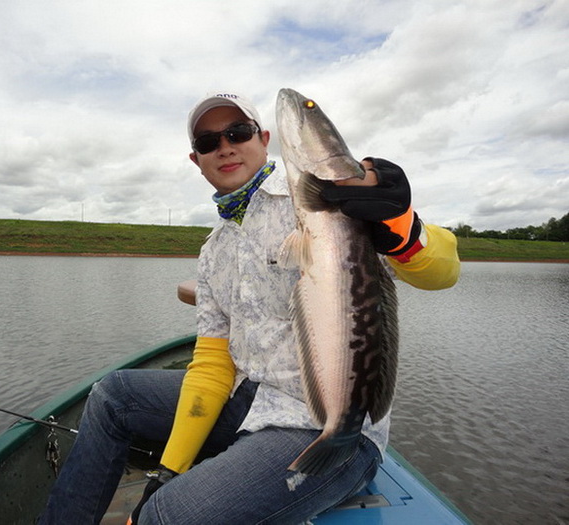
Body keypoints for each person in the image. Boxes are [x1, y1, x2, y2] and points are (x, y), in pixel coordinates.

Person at [37, 92, 460, 525]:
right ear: (195, 159)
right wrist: (169, 470)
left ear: (264, 139)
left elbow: (441, 273)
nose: (225, 146)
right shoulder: (214, 250)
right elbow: (213, 363)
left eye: (237, 132)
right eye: (208, 141)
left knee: (166, 517)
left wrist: (403, 224)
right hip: (249, 400)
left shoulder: (335, 199)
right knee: (113, 397)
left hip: (326, 426)